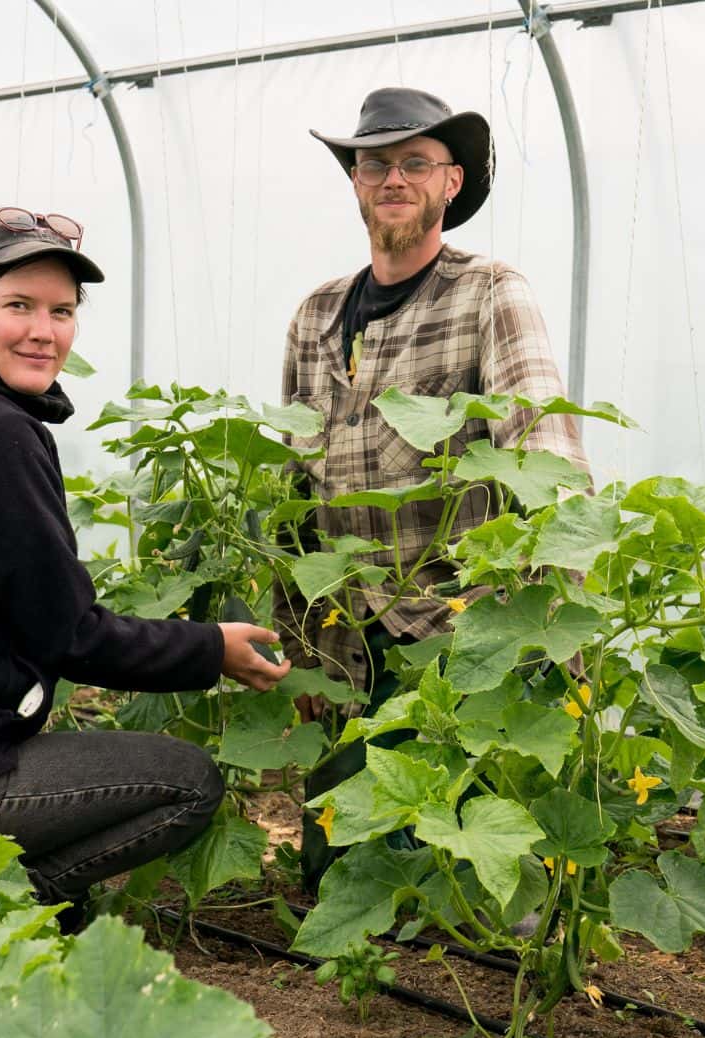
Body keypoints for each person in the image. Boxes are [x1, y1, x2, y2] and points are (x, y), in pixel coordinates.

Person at [0, 208, 291, 925]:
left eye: (62, 311)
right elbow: (68, 634)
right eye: (19, 306)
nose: (45, 329)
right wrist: (210, 649)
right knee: (188, 783)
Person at [276, 89, 590, 893]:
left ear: (452, 183)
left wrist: (560, 633)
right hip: (346, 640)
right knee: (340, 884)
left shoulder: (490, 292)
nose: (392, 177)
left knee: (454, 887)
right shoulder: (315, 314)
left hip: (453, 637)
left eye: (416, 161)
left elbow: (544, 453)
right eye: (374, 162)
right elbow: (289, 488)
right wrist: (298, 637)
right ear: (353, 180)